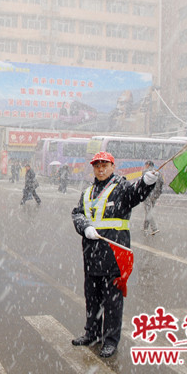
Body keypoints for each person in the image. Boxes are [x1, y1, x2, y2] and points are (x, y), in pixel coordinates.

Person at [71, 151, 157, 358]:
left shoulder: (121, 188)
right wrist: (85, 227)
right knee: (92, 299)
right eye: (97, 166)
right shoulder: (88, 192)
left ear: (112, 166)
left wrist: (146, 183)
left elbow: (136, 194)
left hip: (114, 254)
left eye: (104, 165)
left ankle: (110, 340)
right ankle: (92, 334)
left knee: (112, 301)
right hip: (91, 254)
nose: (100, 169)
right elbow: (77, 213)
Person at [142, 160, 164, 236]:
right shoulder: (158, 173)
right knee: (148, 211)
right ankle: (145, 228)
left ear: (147, 165)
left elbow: (143, 183)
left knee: (148, 211)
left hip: (147, 194)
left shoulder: (146, 172)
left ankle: (154, 228)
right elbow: (162, 183)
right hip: (155, 195)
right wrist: (158, 193)